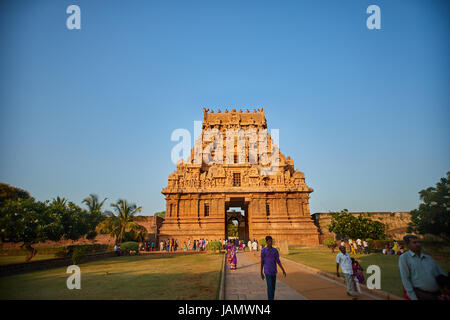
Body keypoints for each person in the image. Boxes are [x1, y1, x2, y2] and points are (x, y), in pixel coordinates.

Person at [399, 235, 446, 300]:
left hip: (437, 294)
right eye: (414, 243)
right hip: (421, 294)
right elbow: (406, 279)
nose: (418, 244)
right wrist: (413, 297)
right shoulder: (404, 258)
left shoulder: (428, 258)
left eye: (418, 242)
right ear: (408, 245)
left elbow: (441, 274)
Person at [260, 236, 287, 300]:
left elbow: (278, 261)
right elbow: (262, 262)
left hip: (274, 271)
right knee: (270, 287)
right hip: (267, 271)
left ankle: (272, 298)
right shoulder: (263, 251)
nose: (270, 242)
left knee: (273, 287)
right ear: (266, 242)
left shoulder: (275, 250)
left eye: (271, 241)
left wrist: (283, 270)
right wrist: (261, 272)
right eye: (269, 241)